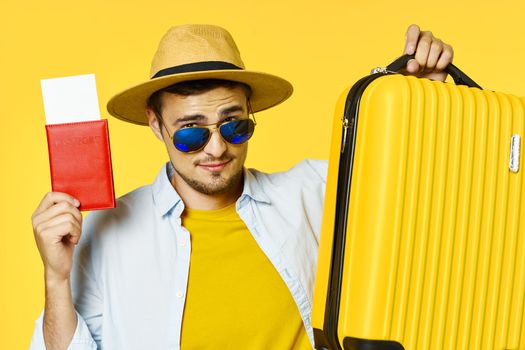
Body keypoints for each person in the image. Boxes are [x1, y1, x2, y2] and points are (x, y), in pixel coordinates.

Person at [30, 24, 453, 349]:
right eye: (191, 133)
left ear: (251, 112)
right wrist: (56, 277)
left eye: (234, 125)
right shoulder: (107, 231)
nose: (216, 148)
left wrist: (427, 100)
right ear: (155, 125)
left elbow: (416, 193)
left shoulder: (312, 191)